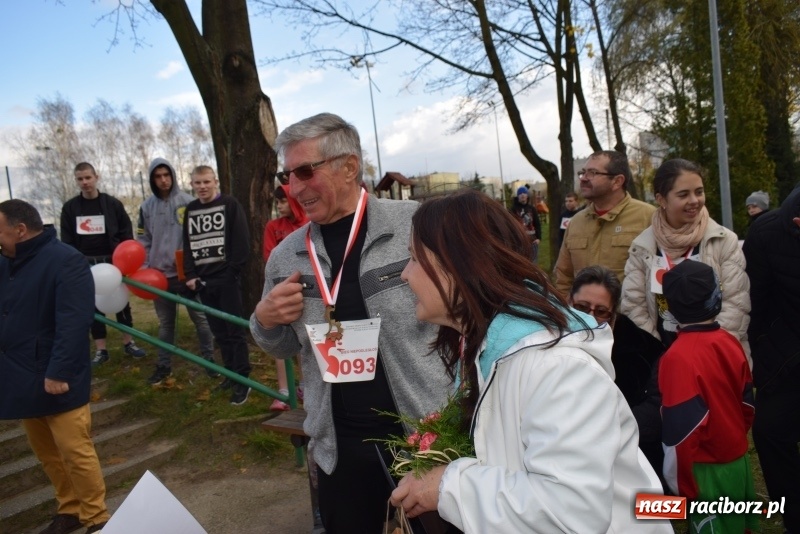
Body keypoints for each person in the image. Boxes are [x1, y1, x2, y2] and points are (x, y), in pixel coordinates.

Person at [390, 189, 669, 534]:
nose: (405, 274)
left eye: (414, 258)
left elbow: (572, 513)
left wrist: (450, 486)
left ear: (457, 265)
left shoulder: (556, 366)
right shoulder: (491, 347)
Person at [250, 112, 450, 534]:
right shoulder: (287, 255)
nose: (295, 187)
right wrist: (264, 321)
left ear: (350, 166)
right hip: (339, 447)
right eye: (288, 176)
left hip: (426, 434)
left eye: (305, 171)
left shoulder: (415, 225)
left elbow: (466, 312)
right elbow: (282, 345)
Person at [0, 199, 110, 534]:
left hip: (58, 376)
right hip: (21, 375)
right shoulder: (6, 262)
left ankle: (96, 518)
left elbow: (74, 322)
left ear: (20, 230)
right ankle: (69, 510)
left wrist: (59, 372)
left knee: (76, 452)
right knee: (48, 455)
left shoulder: (66, 260)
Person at [659, 260, 757, 534]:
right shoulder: (729, 340)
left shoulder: (677, 358)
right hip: (737, 461)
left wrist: (682, 489)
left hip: (706, 470)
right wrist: (733, 435)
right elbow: (747, 402)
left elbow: (680, 435)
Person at [620, 158, 751, 362]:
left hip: (715, 360)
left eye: (699, 192)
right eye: (683, 194)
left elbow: (736, 305)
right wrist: (660, 356)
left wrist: (700, 352)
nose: (694, 200)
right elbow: (633, 307)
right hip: (662, 360)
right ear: (661, 199)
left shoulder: (724, 240)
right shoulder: (643, 246)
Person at [568, 265, 666, 489]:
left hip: (631, 464)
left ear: (614, 316)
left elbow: (653, 416)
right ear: (568, 301)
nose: (589, 318)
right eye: (582, 307)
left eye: (601, 311)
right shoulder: (546, 340)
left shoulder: (646, 353)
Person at [743, 184, 800, 534]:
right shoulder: (767, 233)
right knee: (770, 432)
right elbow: (755, 306)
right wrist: (765, 357)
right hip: (786, 359)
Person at [137, 158, 218, 386]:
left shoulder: (189, 203)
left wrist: (197, 269)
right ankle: (163, 365)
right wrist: (144, 268)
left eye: (167, 175)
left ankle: (209, 361)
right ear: (153, 179)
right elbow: (142, 239)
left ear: (172, 175)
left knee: (201, 320)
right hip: (158, 276)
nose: (163, 180)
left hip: (187, 275)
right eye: (158, 176)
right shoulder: (145, 207)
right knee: (166, 324)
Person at [60, 162, 147, 365]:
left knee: (122, 304)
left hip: (114, 261)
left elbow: (126, 232)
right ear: (76, 181)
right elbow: (67, 240)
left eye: (88, 178)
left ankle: (129, 342)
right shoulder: (70, 208)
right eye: (80, 179)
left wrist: (124, 258)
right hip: (86, 265)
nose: (84, 182)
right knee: (94, 307)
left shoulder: (112, 204)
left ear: (96, 177)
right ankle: (101, 350)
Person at [183, 165, 251, 405]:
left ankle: (243, 379)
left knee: (234, 332)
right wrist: (190, 274)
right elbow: (187, 244)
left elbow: (241, 242)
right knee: (219, 333)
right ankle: (230, 374)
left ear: (215, 182)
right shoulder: (190, 210)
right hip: (203, 282)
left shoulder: (230, 205)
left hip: (227, 280)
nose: (202, 187)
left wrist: (231, 273)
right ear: (192, 184)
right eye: (197, 183)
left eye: (206, 182)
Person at [555, 150, 655, 295]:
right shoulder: (576, 222)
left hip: (631, 316)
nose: (583, 178)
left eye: (593, 173)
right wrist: (568, 312)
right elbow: (563, 277)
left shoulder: (648, 217)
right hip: (582, 317)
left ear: (617, 181)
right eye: (583, 172)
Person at [262, 184, 308, 411]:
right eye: (277, 202)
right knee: (279, 339)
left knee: (303, 340)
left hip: (307, 291)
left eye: (283, 201)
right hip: (281, 291)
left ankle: (305, 385)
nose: (279, 206)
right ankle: (283, 389)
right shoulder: (273, 227)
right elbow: (271, 256)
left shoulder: (308, 225)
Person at [509, 185, 542, 263]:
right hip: (519, 241)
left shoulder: (532, 209)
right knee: (521, 263)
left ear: (527, 195)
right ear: (518, 196)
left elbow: (537, 223)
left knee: (533, 264)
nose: (522, 195)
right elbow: (510, 225)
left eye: (524, 193)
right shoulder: (513, 210)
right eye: (520, 193)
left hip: (532, 241)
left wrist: (539, 238)